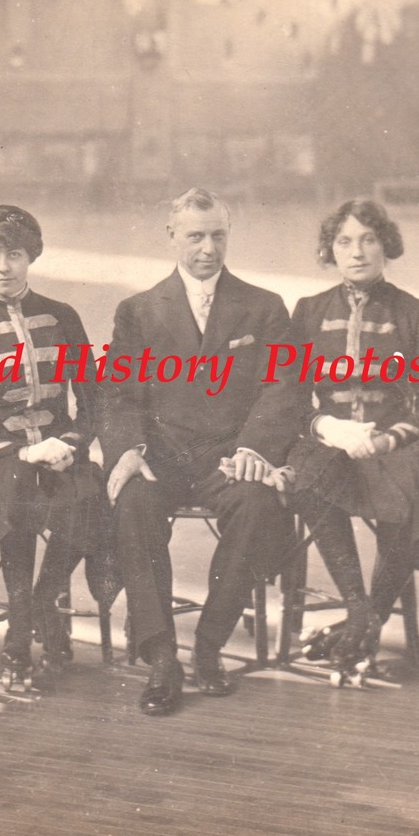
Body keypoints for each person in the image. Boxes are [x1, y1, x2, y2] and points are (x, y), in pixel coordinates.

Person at [102, 188, 304, 716]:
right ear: (173, 236)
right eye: (195, 236)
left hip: (228, 456)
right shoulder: (137, 312)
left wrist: (254, 449)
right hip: (162, 456)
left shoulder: (263, 308)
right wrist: (127, 451)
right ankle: (162, 655)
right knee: (132, 504)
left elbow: (285, 385)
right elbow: (119, 395)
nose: (208, 248)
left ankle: (210, 644)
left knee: (259, 507)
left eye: (217, 235)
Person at [0, 205, 111, 692]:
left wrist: (74, 443)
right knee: (17, 495)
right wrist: (18, 452)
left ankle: (41, 602)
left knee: (88, 496)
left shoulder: (62, 317)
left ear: (30, 256)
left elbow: (93, 399)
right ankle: (18, 642)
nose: (4, 267)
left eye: (14, 254)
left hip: (60, 453)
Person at [285, 199, 419, 685]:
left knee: (411, 486)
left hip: (393, 447)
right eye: (344, 242)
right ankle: (362, 614)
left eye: (368, 240)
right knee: (307, 474)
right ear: (329, 250)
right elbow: (287, 396)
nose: (357, 252)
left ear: (386, 246)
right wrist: (327, 428)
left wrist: (387, 439)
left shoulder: (416, 312)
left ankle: (363, 621)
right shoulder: (309, 312)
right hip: (332, 445)